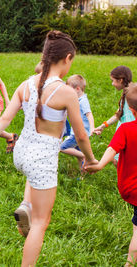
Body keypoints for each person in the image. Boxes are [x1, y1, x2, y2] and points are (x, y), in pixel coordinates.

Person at [0, 31, 97, 267]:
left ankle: (26, 204)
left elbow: (4, 120)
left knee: (32, 176)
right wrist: (90, 160)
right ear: (67, 58)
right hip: (42, 159)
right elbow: (80, 135)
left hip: (21, 153)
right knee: (40, 223)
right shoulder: (67, 92)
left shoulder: (26, 84)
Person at [85, 82, 137, 267]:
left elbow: (112, 149)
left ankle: (129, 265)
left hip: (131, 188)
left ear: (131, 109)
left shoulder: (126, 129)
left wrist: (99, 166)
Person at [93, 66, 133, 166]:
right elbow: (118, 114)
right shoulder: (128, 93)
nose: (112, 84)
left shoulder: (131, 96)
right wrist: (103, 126)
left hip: (128, 134)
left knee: (119, 161)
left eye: (113, 81)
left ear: (121, 80)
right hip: (125, 133)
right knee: (116, 160)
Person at [60, 75, 94, 169]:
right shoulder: (77, 99)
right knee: (79, 156)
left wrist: (92, 128)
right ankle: (82, 176)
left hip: (78, 133)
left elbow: (89, 114)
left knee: (62, 148)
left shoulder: (83, 101)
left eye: (69, 90)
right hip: (78, 132)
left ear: (77, 89)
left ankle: (85, 156)